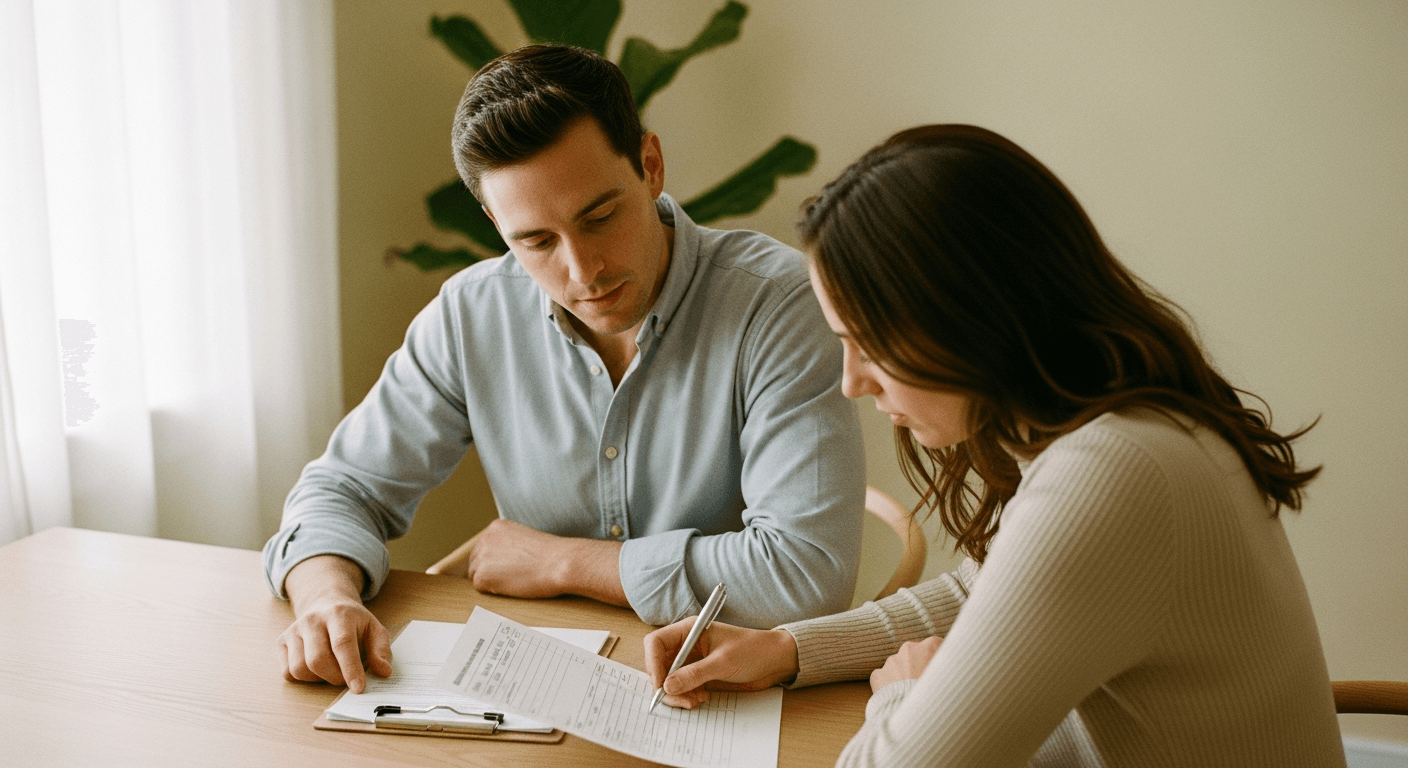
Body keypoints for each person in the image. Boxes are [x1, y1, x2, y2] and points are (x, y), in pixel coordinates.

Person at [644, 124, 1345, 767]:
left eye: (867, 343)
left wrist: (907, 697)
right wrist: (790, 649)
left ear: (964, 317)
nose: (853, 382)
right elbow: (983, 590)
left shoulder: (1109, 476)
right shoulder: (1127, 427)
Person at [264, 45, 865, 694]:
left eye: (600, 217)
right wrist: (326, 596)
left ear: (651, 166)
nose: (583, 272)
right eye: (536, 241)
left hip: (720, 696)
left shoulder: (777, 305)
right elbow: (342, 489)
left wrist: (566, 563)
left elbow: (807, 577)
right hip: (535, 694)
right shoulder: (472, 314)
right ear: (497, 225)